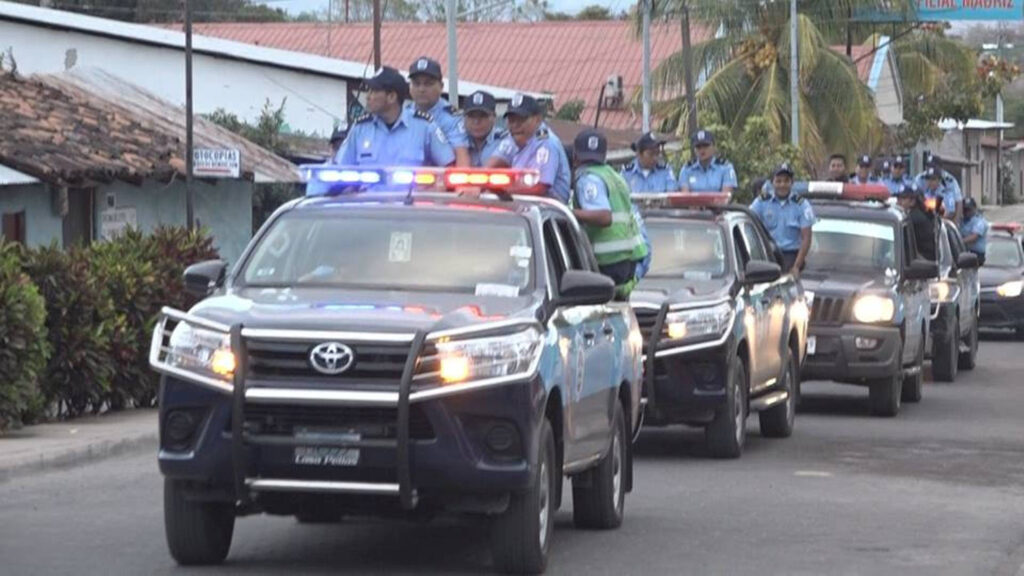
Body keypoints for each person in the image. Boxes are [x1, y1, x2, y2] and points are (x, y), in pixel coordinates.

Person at [310, 67, 455, 195]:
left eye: (374, 91)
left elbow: (449, 169)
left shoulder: (424, 126)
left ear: (391, 97)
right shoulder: (360, 128)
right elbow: (340, 172)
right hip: (370, 214)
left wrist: (433, 189)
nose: (368, 97)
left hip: (412, 214)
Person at [571, 129, 649, 298]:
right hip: (627, 259)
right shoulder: (614, 176)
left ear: (575, 156)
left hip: (606, 261)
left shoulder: (587, 178)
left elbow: (604, 217)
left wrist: (569, 213)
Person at [487, 93, 571, 204]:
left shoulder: (546, 143)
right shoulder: (514, 137)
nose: (515, 125)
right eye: (512, 120)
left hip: (549, 212)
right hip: (521, 206)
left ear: (537, 119)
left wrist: (500, 190)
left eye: (521, 120)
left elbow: (539, 187)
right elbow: (490, 166)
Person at [750, 162, 815, 277]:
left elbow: (806, 238)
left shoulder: (801, 205)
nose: (782, 185)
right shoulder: (761, 202)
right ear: (772, 182)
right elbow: (748, 219)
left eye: (786, 181)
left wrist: (796, 266)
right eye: (778, 181)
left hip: (790, 256)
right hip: (767, 255)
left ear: (792, 182)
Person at [407, 56, 471, 166]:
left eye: (428, 84)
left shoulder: (451, 118)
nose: (421, 89)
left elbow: (461, 154)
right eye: (416, 84)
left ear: (441, 86)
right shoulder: (404, 114)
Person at [678, 129, 737, 195]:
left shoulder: (725, 168)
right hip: (693, 205)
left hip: (718, 205)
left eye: (706, 145)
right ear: (694, 150)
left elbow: (726, 196)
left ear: (714, 147)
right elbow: (685, 196)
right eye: (698, 147)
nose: (702, 150)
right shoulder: (686, 169)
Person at [462, 90, 505, 167]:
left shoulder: (504, 140)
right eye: (471, 116)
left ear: (494, 117)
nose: (476, 121)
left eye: (482, 116)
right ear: (464, 118)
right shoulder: (458, 139)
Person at [915, 155, 963, 222]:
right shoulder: (920, 178)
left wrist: (955, 222)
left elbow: (957, 202)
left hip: (943, 220)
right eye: (928, 166)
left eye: (933, 166)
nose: (930, 168)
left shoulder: (949, 182)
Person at [896, 184, 937, 262]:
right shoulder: (910, 215)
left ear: (912, 201)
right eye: (898, 198)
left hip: (925, 261)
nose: (899, 202)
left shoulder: (913, 218)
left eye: (903, 198)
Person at [959, 197, 989, 265]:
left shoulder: (979, 221)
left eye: (969, 209)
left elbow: (974, 237)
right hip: (964, 252)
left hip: (976, 254)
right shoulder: (962, 221)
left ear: (974, 208)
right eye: (965, 209)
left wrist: (959, 241)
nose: (966, 212)